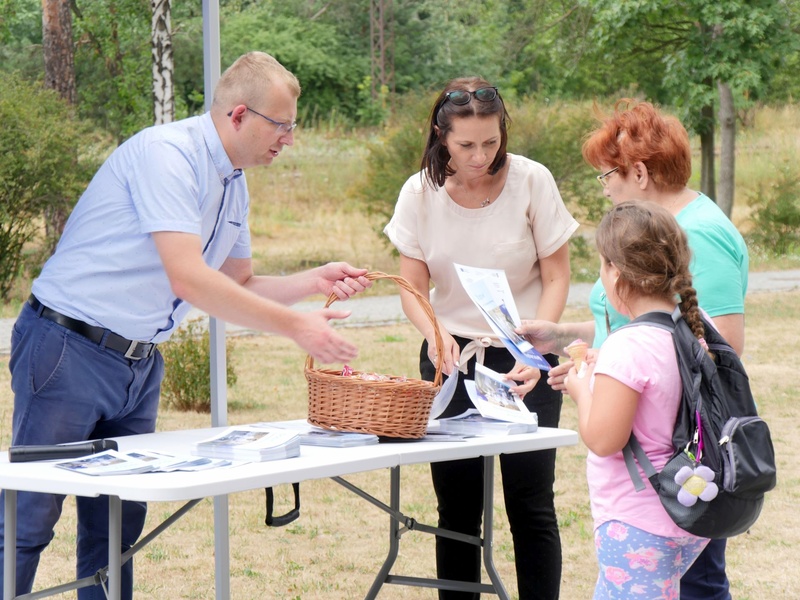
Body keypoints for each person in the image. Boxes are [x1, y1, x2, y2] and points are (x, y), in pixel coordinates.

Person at [1, 51, 371, 600]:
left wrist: (311, 280)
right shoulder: (167, 154)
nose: (290, 139)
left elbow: (238, 282)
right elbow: (190, 279)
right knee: (28, 520)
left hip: (138, 364)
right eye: (282, 125)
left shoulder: (234, 182)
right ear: (239, 115)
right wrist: (297, 326)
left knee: (117, 529)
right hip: (67, 347)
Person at [518, 99, 748, 600]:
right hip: (669, 480)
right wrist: (561, 338)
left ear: (639, 173)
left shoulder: (698, 233)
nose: (605, 189)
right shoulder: (657, 236)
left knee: (699, 589)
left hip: (667, 484)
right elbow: (669, 336)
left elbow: (717, 354)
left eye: (607, 176)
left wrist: (592, 386)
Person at [383, 77, 579, 600]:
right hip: (451, 360)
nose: (480, 156)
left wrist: (536, 350)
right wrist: (433, 331)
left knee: (531, 503)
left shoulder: (532, 180)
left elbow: (557, 276)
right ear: (441, 135)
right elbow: (411, 285)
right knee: (457, 507)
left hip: (524, 359)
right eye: (466, 144)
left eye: (491, 142)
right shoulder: (418, 193)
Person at [562, 200, 711, 598]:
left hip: (638, 518)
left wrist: (581, 390)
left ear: (615, 272)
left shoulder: (627, 345)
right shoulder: (695, 328)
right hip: (689, 507)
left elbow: (604, 439)